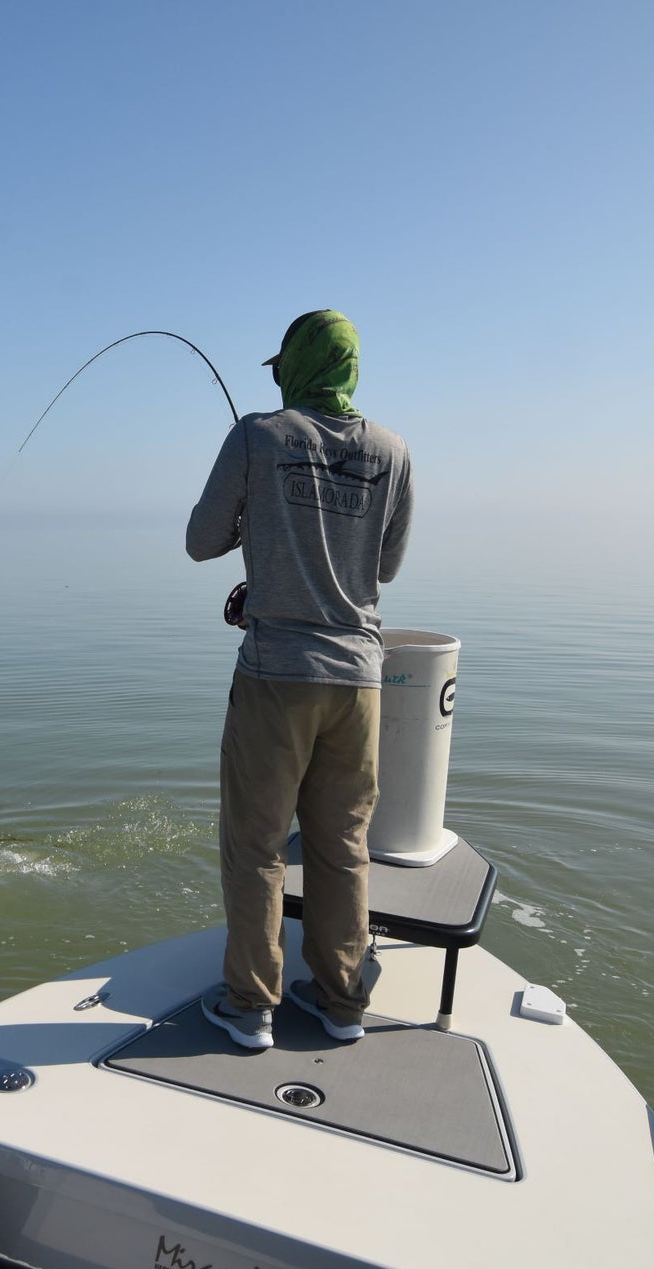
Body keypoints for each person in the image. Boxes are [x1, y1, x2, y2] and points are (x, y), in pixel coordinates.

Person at [185, 310, 414, 1051]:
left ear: (293, 363)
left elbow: (200, 542)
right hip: (360, 681)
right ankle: (343, 1000)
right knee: (342, 843)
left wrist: (262, 523)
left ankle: (252, 1004)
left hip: (276, 676)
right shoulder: (394, 451)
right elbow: (383, 568)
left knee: (254, 843)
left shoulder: (257, 434)